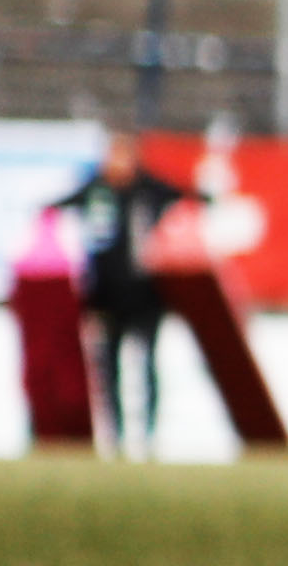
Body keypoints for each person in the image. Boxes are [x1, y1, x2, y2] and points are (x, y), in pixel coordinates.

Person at [46, 148, 193, 456]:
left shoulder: (149, 189)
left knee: (148, 363)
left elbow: (185, 197)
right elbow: (62, 205)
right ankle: (116, 437)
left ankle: (150, 436)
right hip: (106, 299)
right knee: (108, 369)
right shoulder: (97, 190)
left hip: (146, 296)